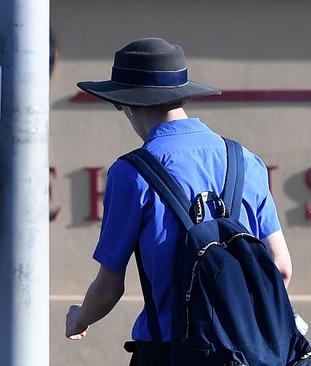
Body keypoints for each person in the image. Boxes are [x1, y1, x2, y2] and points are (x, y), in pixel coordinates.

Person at [65, 38, 293, 364]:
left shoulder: (131, 173)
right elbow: (281, 269)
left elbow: (110, 287)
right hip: (250, 354)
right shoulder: (246, 161)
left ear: (128, 104)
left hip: (170, 353)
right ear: (183, 96)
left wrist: (80, 318)